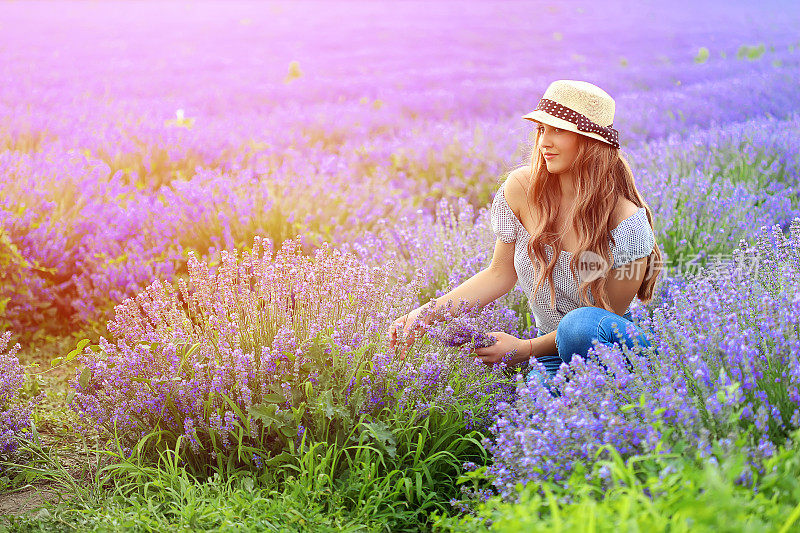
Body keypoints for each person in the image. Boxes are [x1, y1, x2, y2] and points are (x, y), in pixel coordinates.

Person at [387, 80, 663, 388]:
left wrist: (523, 349)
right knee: (538, 412)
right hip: (554, 352)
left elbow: (601, 318)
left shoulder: (626, 222)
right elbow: (498, 275)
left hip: (615, 347)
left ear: (591, 142)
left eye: (558, 130)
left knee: (577, 324)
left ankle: (635, 388)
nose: (544, 141)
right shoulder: (520, 189)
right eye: (542, 129)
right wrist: (426, 315)